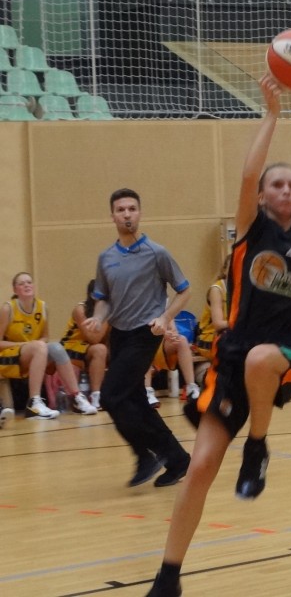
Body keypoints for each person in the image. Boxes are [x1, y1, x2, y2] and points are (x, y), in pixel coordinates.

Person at [146, 73, 291, 596]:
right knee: (201, 467)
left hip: (290, 351)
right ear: (260, 196)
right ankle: (168, 576)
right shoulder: (252, 228)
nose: (285, 190)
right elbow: (249, 171)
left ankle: (257, 446)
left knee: (261, 359)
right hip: (233, 356)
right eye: (276, 185)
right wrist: (271, 113)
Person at [84, 188, 192, 489]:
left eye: (132, 208)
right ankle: (177, 459)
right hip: (119, 335)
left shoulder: (157, 253)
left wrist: (165, 317)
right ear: (112, 216)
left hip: (145, 334)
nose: (127, 214)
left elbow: (184, 290)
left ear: (140, 213)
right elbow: (104, 298)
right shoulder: (106, 258)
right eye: (121, 210)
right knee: (135, 401)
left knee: (110, 396)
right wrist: (99, 317)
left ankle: (144, 455)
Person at [0, 272, 97, 419]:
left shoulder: (42, 306)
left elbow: (45, 337)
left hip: (34, 353)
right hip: (8, 357)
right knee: (40, 347)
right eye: (21, 283)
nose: (26, 285)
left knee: (56, 348)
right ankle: (34, 403)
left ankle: (76, 397)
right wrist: (27, 344)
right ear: (15, 290)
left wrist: (36, 345)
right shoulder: (8, 308)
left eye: (29, 282)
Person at [60, 279, 109, 410]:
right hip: (70, 346)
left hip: (88, 348)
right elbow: (93, 338)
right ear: (93, 295)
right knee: (100, 349)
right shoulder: (80, 309)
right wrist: (108, 317)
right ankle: (96, 396)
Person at [144, 322, 200, 408]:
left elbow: (173, 328)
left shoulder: (163, 312)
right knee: (144, 344)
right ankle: (147, 391)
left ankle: (191, 388)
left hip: (160, 342)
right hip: (140, 341)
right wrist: (163, 333)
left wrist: (171, 334)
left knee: (181, 340)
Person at [193, 255, 230, 364]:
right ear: (225, 270)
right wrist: (242, 322)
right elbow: (218, 324)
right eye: (232, 267)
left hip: (228, 333)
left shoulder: (241, 289)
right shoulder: (217, 289)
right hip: (210, 338)